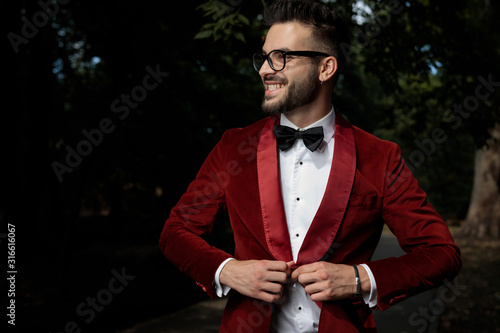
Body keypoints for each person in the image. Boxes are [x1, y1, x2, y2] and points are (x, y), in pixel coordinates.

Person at [159, 0, 462, 332]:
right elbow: (175, 232)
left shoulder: (380, 156)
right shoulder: (233, 148)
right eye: (264, 57)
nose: (264, 70)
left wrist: (359, 278)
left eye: (282, 57)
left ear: (326, 68)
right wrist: (227, 269)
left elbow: (441, 253)